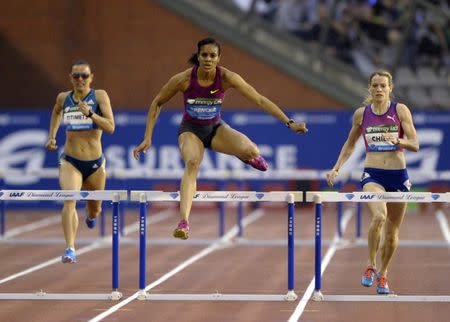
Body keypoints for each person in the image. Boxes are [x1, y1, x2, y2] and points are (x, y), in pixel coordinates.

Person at [133, 37, 307, 240]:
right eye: (204, 55)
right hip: (190, 130)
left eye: (212, 55)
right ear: (198, 57)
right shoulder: (183, 79)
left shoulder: (226, 77)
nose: (208, 59)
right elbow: (157, 102)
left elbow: (259, 99)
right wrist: (147, 137)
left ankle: (247, 157)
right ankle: (184, 222)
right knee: (192, 162)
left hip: (215, 128)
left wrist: (289, 122)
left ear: (218, 58)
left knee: (252, 150)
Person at [326, 70, 419, 294]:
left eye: (383, 86)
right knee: (379, 216)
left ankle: (384, 274)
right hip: (373, 175)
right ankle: (370, 265)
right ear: (370, 88)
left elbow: (415, 143)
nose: (378, 89)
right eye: (375, 86)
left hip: (398, 175)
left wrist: (399, 141)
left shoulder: (400, 110)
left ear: (390, 89)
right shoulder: (361, 114)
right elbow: (349, 145)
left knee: (392, 233)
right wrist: (336, 168)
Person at [45, 59, 115, 263]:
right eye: (76, 76)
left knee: (95, 208)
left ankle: (91, 216)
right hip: (70, 161)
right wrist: (52, 136)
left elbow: (111, 127)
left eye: (85, 75)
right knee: (70, 199)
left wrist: (91, 114)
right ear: (71, 78)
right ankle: (70, 248)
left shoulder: (99, 96)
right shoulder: (63, 98)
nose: (80, 79)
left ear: (91, 77)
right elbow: (56, 111)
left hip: (94, 165)